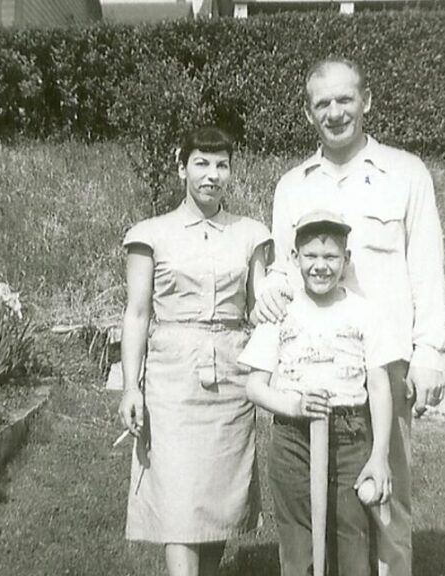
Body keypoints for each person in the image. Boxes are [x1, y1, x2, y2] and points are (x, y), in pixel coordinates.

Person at [254, 57, 445, 576]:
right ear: (307, 112)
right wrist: (269, 294)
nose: (335, 112)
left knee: (384, 504)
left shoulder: (407, 174)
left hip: (386, 369)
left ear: (367, 101)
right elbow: (283, 270)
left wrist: (429, 353)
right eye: (323, 103)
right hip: (315, 374)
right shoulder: (292, 185)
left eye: (345, 100)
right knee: (310, 511)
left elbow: (427, 267)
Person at [117, 126, 271, 576]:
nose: (212, 175)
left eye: (221, 165)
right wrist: (131, 388)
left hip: (232, 372)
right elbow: (137, 314)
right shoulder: (150, 234)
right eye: (201, 163)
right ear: (180, 166)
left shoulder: (251, 234)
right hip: (172, 373)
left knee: (221, 498)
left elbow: (262, 307)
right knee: (180, 496)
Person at [239, 210, 397, 576]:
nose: (321, 266)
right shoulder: (281, 312)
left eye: (331, 257)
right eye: (311, 256)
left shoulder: (364, 313)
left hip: (350, 439)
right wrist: (295, 404)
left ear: (347, 260)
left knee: (351, 540)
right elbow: (254, 386)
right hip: (293, 441)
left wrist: (379, 455)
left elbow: (379, 385)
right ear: (294, 258)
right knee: (298, 546)